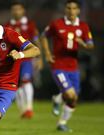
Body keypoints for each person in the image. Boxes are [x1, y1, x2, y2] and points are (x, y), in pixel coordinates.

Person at [40, 0, 94, 132]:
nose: (71, 11)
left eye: (74, 8)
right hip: (58, 65)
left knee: (73, 99)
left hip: (74, 67)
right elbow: (43, 36)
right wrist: (47, 54)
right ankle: (60, 98)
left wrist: (84, 45)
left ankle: (61, 121)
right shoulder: (57, 24)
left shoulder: (83, 26)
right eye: (69, 8)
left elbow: (91, 45)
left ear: (78, 10)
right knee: (70, 95)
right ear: (65, 9)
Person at [5, 1, 43, 119]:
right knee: (16, 85)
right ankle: (23, 110)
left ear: (23, 11)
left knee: (26, 81)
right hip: (12, 59)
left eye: (19, 9)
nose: (16, 12)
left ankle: (29, 108)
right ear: (12, 11)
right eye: (14, 9)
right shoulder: (7, 26)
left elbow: (37, 41)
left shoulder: (30, 24)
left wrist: (39, 58)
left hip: (26, 58)